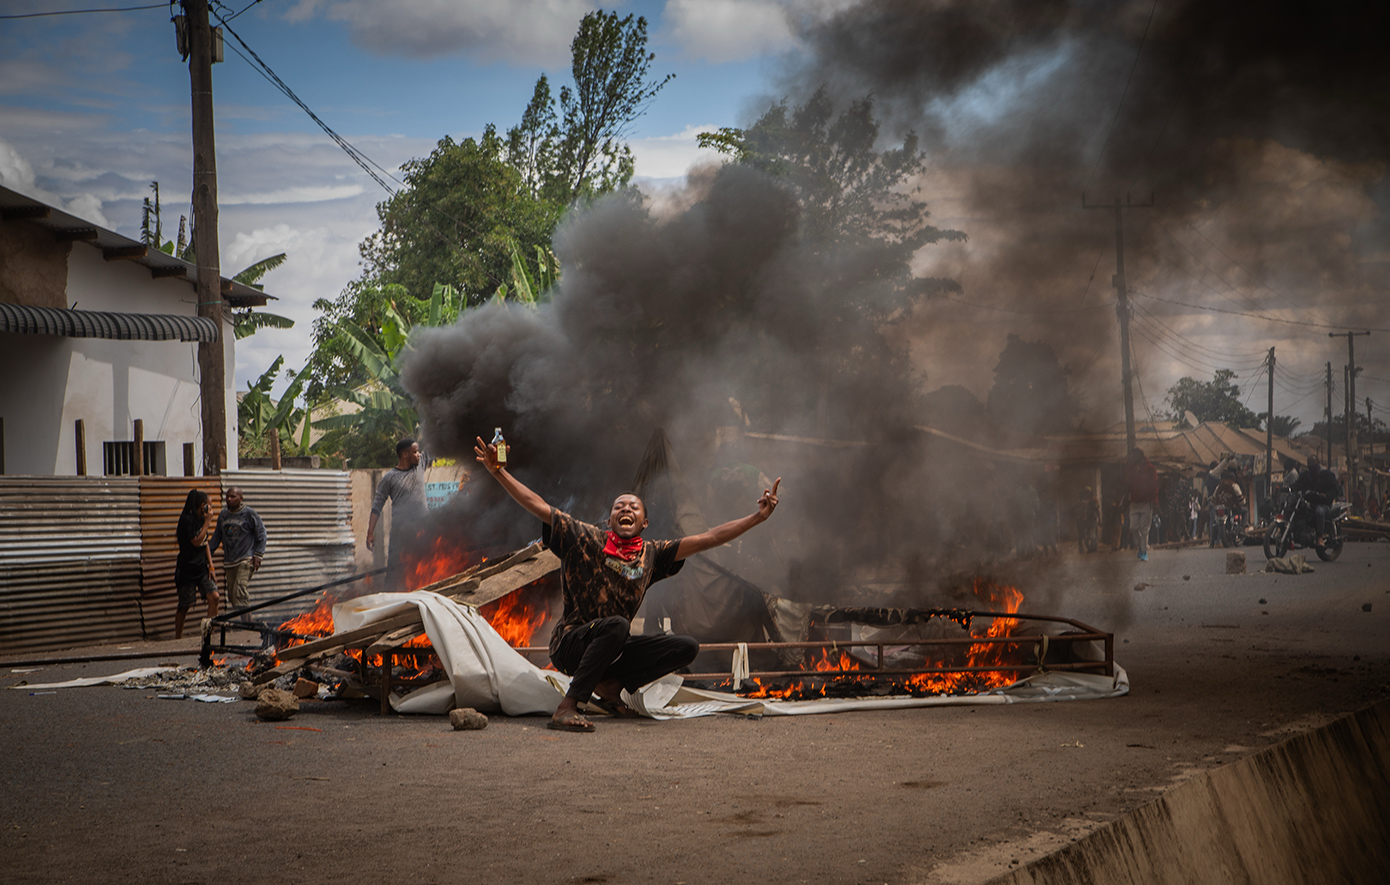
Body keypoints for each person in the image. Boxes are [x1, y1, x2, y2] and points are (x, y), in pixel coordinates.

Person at [474, 434, 780, 733]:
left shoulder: (653, 554)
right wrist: (499, 472)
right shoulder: (585, 538)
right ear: (609, 521)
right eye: (619, 507)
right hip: (571, 645)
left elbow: (710, 538)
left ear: (644, 523)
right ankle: (569, 706)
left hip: (613, 647)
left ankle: (612, 686)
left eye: (634, 507)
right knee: (617, 625)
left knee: (686, 647)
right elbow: (538, 505)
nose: (626, 510)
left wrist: (757, 518)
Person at [366, 438, 428, 577]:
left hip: (423, 530)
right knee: (396, 574)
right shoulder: (390, 478)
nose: (419, 454)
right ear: (405, 455)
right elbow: (377, 506)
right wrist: (370, 532)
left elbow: (435, 443)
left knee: (425, 569)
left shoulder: (420, 465)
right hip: (401, 535)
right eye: (415, 451)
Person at [209, 486, 266, 611]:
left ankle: (247, 624)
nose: (229, 499)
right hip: (230, 562)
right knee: (232, 596)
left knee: (239, 592)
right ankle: (249, 623)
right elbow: (216, 538)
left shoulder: (249, 514)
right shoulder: (223, 515)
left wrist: (258, 554)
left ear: (241, 498)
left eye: (233, 497)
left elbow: (261, 534)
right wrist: (206, 556)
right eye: (227, 497)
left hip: (245, 560)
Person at [173, 489, 219, 639]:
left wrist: (211, 566)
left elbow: (204, 543)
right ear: (201, 506)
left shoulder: (201, 519)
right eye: (208, 506)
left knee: (214, 597)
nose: (210, 510)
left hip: (201, 568)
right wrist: (207, 522)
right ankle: (178, 637)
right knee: (185, 604)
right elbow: (196, 541)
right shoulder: (187, 520)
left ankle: (209, 635)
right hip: (187, 568)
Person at [1292, 456, 1342, 546]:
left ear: (1318, 463)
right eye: (1309, 463)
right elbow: (1297, 485)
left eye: (1313, 463)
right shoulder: (1306, 475)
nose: (1311, 465)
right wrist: (1286, 488)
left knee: (1319, 511)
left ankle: (1320, 537)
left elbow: (1335, 490)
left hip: (1324, 504)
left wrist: (1326, 495)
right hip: (1310, 503)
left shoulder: (1327, 475)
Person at [1125, 447, 1158, 561]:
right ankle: (1142, 546)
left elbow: (1154, 486)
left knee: (1144, 530)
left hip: (1146, 503)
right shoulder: (1131, 469)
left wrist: (1154, 502)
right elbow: (1127, 484)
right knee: (1133, 527)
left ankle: (1144, 552)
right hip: (1134, 503)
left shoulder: (1150, 468)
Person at [1209, 469, 1246, 546]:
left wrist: (1214, 504)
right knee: (1245, 511)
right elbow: (1242, 500)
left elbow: (1213, 500)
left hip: (1219, 507)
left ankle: (1212, 542)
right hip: (1232, 508)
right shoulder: (1234, 486)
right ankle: (1242, 529)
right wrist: (1241, 503)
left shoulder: (1219, 486)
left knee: (1214, 522)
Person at [1075, 486, 1100, 554]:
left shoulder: (1094, 500)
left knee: (1092, 535)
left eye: (1088, 492)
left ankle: (1093, 548)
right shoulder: (1085, 501)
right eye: (1086, 492)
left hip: (1092, 519)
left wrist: (1099, 518)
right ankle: (1091, 548)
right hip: (1087, 520)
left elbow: (1097, 510)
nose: (1087, 494)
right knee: (1088, 536)